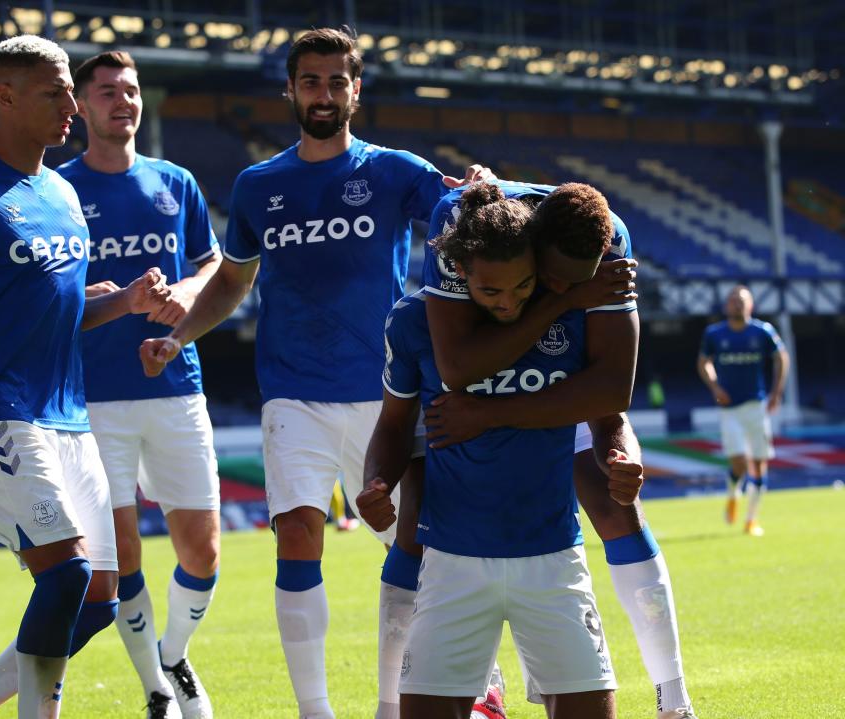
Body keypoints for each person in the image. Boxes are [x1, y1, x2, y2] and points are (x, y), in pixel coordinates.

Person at [139, 26, 491, 719]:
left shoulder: (394, 171)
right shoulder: (258, 186)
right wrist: (179, 334)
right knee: (297, 533)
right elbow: (232, 281)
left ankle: (429, 694)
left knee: (422, 547)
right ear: (291, 91)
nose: (324, 93)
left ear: (356, 90)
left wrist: (480, 188)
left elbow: (464, 215)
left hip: (388, 395)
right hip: (293, 393)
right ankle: (316, 710)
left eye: (337, 81)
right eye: (311, 81)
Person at [0, 36, 169, 719]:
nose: (72, 105)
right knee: (68, 573)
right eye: (56, 92)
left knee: (100, 598)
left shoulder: (66, 196)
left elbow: (61, 314)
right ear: (5, 96)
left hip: (69, 417)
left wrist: (123, 302)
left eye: (72, 90)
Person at [359, 181, 698, 719]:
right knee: (414, 519)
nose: (560, 287)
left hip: (550, 549)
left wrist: (491, 411)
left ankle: (674, 699)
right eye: (553, 278)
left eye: (567, 282)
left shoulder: (607, 251)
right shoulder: (447, 253)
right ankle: (411, 697)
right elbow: (455, 374)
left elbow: (612, 398)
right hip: (457, 550)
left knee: (617, 507)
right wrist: (376, 482)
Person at [56, 50, 222, 719]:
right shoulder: (58, 191)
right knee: (119, 554)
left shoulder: (175, 182)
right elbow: (44, 294)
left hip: (176, 383)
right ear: (82, 108)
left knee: (203, 552)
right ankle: (156, 689)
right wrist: (100, 295)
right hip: (93, 397)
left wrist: (183, 295)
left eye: (130, 90)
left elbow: (217, 267)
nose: (122, 101)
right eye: (107, 92)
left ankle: (175, 653)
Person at [697, 284, 788, 536]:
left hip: (756, 406)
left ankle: (751, 519)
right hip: (729, 410)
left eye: (742, 300)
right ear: (726, 306)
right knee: (739, 464)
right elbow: (703, 363)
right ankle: (733, 493)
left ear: (751, 305)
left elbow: (781, 357)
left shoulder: (762, 331)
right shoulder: (715, 334)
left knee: (759, 464)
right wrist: (715, 387)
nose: (737, 304)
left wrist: (776, 392)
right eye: (733, 300)